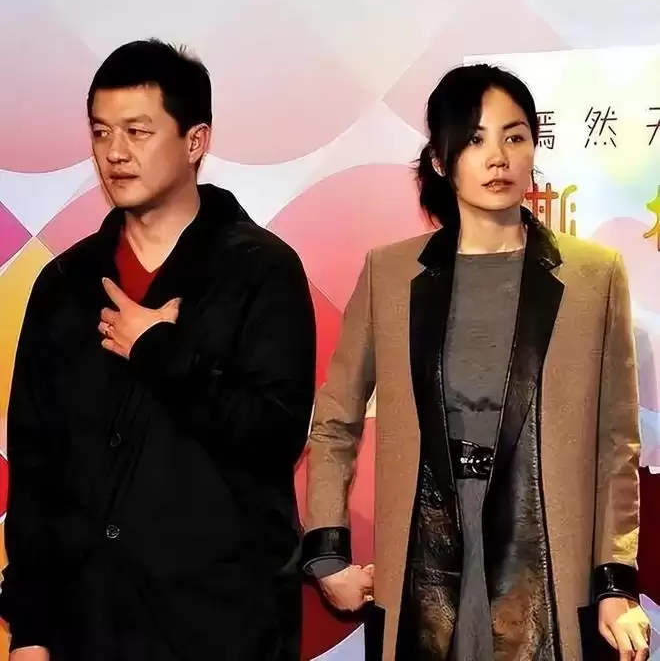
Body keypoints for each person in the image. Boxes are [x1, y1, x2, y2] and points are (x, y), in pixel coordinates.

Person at [302, 63, 649, 660]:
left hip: (545, 555)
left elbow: (616, 443)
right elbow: (335, 418)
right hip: (425, 555)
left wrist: (615, 581)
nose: (498, 158)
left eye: (514, 137)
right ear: (441, 161)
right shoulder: (390, 273)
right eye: (475, 139)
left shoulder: (595, 275)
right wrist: (327, 551)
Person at [0, 39, 316, 661]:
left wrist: (161, 352)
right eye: (101, 132)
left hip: (220, 627)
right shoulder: (64, 284)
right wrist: (30, 628)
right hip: (85, 626)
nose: (114, 153)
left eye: (137, 131)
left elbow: (276, 434)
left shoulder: (261, 270)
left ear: (195, 141)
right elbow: (36, 463)